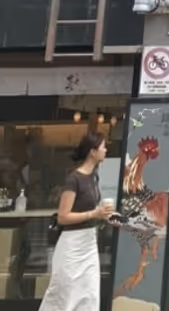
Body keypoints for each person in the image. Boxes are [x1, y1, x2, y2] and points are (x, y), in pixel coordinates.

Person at [40, 132, 117, 311]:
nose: (106, 150)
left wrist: (103, 215)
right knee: (65, 294)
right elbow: (63, 216)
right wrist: (94, 214)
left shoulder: (93, 177)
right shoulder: (73, 179)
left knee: (89, 294)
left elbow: (92, 211)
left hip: (89, 243)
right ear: (92, 151)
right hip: (72, 246)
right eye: (103, 147)